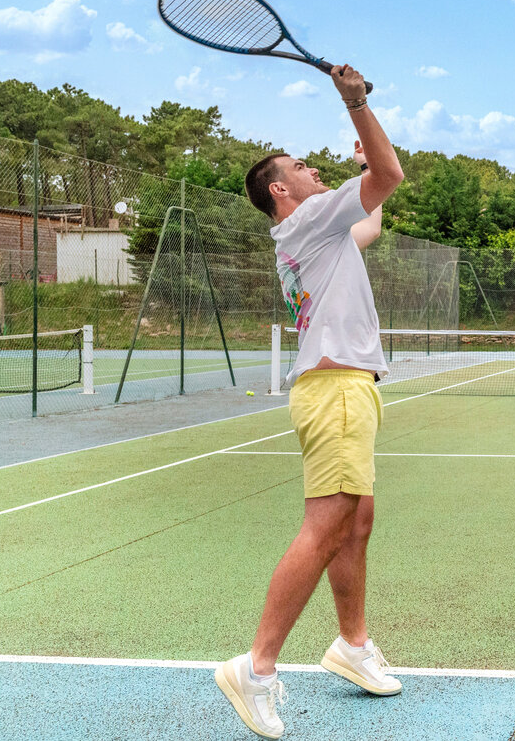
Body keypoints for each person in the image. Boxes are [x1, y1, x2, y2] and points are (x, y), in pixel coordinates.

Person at [218, 64, 404, 740]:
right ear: (280, 189)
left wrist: (364, 162)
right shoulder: (308, 222)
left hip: (339, 388)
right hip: (336, 391)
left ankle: (351, 646)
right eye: (301, 166)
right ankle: (257, 668)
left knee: (355, 523)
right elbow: (389, 179)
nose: (313, 170)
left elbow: (372, 222)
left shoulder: (316, 235)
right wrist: (356, 106)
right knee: (326, 527)